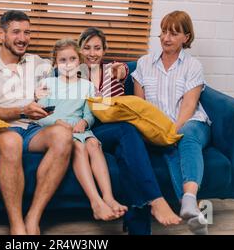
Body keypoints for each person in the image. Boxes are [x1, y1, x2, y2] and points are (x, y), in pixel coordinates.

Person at [0, 10, 73, 235]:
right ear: (1, 34)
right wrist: (21, 111)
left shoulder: (39, 64)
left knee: (64, 136)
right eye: (16, 32)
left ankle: (33, 217)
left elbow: (71, 69)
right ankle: (16, 224)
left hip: (32, 129)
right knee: (11, 141)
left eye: (27, 32)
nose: (23, 38)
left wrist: (113, 71)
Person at [77, 27, 182, 234]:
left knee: (128, 156)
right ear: (80, 50)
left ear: (104, 50)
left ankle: (138, 228)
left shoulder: (113, 70)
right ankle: (155, 198)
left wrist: (121, 71)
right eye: (87, 48)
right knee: (128, 131)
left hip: (117, 129)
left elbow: (123, 70)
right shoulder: (75, 73)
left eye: (97, 48)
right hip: (94, 130)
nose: (92, 53)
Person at [132, 10, 211, 235]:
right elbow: (141, 107)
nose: (166, 38)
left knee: (184, 137)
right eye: (164, 32)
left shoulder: (193, 65)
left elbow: (189, 105)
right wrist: (159, 133)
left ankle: (188, 199)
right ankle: (192, 208)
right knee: (168, 149)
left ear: (186, 37)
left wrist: (172, 131)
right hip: (159, 127)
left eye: (174, 33)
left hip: (192, 122)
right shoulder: (144, 63)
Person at [36, 38, 128, 221]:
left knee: (94, 144)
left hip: (79, 129)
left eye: (72, 59)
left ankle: (108, 196)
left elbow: (90, 114)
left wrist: (84, 123)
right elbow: (41, 115)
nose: (68, 64)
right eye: (62, 60)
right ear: (55, 63)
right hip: (56, 129)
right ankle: (95, 201)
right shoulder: (49, 83)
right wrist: (59, 123)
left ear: (79, 61)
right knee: (78, 147)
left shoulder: (87, 86)